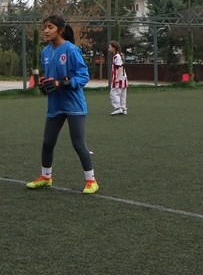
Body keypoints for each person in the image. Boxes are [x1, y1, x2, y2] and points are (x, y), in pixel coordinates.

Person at [27, 15, 99, 195]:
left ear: (60, 29)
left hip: (74, 104)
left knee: (78, 144)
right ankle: (46, 178)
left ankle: (91, 181)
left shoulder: (71, 50)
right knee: (47, 143)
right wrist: (45, 85)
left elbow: (84, 76)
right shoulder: (45, 52)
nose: (45, 30)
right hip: (55, 105)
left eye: (50, 27)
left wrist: (64, 83)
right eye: (44, 27)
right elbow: (50, 78)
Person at [109, 40, 128, 115]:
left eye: (110, 47)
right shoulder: (120, 56)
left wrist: (117, 78)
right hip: (123, 78)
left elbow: (119, 67)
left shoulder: (117, 56)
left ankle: (117, 108)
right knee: (123, 94)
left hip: (118, 78)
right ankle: (123, 109)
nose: (109, 48)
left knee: (114, 93)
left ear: (114, 48)